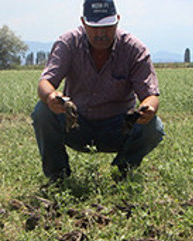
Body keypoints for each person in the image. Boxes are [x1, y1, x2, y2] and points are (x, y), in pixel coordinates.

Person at [32, 0, 164, 181]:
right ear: (83, 22)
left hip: (118, 128)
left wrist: (147, 108)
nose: (101, 33)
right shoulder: (68, 43)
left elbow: (150, 95)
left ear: (117, 20)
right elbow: (46, 82)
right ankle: (58, 177)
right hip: (76, 124)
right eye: (94, 27)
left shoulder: (134, 50)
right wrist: (51, 96)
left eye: (107, 26)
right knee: (43, 111)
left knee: (153, 127)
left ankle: (122, 173)